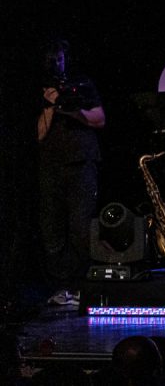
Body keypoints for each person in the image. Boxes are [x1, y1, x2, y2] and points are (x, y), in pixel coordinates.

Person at [36, 38, 105, 307]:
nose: (57, 63)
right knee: (51, 230)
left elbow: (100, 119)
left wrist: (74, 111)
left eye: (61, 58)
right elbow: (39, 135)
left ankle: (80, 287)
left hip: (82, 164)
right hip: (50, 167)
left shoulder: (83, 84)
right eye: (53, 59)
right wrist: (52, 106)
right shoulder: (40, 91)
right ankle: (60, 286)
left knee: (81, 229)